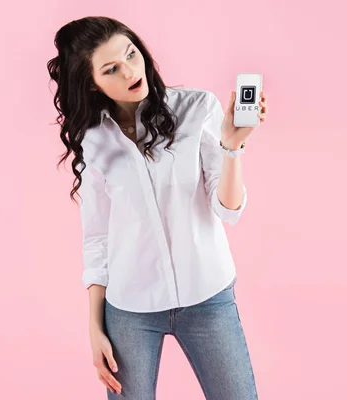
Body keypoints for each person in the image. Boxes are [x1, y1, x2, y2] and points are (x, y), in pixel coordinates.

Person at [47, 16, 268, 400]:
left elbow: (228, 209)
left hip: (208, 297)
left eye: (131, 54)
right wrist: (94, 326)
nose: (130, 71)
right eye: (110, 69)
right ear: (92, 82)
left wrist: (232, 146)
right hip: (129, 308)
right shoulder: (93, 139)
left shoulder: (198, 108)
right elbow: (97, 238)